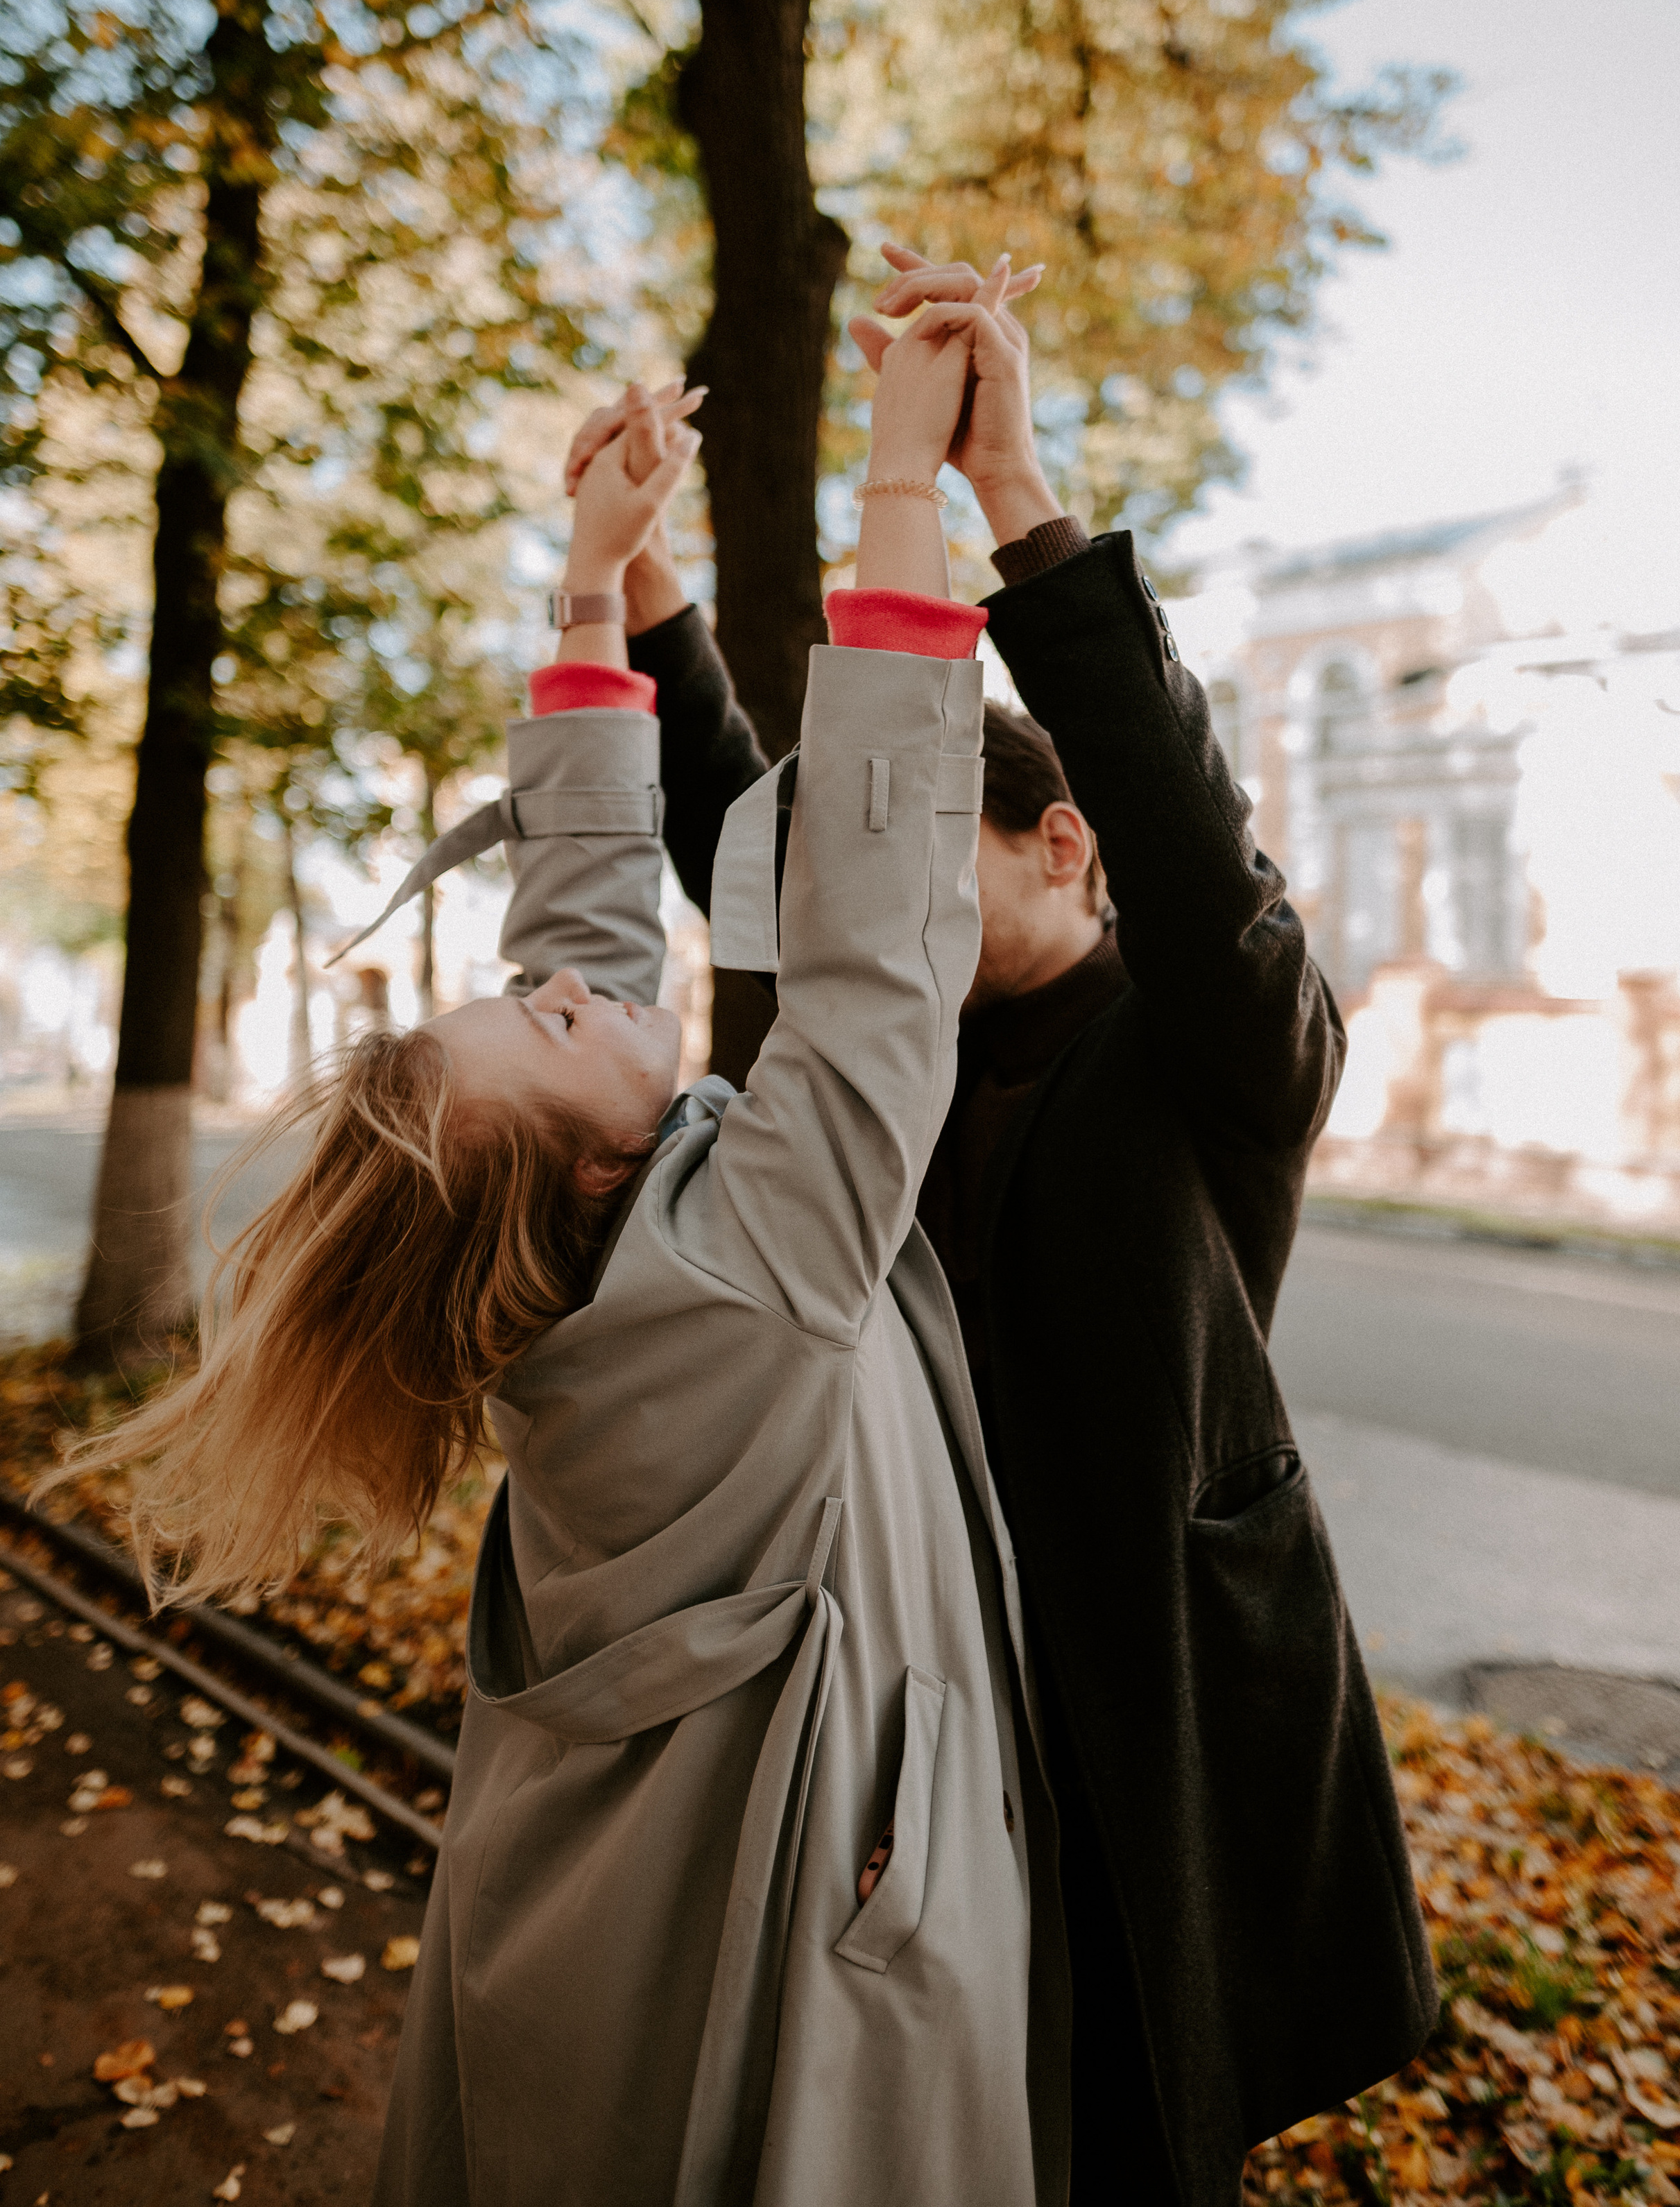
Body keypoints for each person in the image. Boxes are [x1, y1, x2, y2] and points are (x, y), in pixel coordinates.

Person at [42, 309, 1070, 2207]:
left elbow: (586, 916)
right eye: (563, 1024)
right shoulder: (751, 1270)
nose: (580, 991)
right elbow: (872, 953)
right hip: (828, 1905)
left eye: (542, 996)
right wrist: (903, 490)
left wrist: (595, 588)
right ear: (604, 1158)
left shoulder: (570, 1270)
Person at [619, 246, 1439, 2207]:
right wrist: (641, 589)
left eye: (922, 840)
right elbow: (742, 815)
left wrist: (1015, 505)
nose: (866, 880)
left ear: (1058, 842)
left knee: (1137, 2112)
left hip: (1147, 1702)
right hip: (927, 1664)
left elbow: (1184, 823)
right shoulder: (886, 1043)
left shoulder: (1207, 1043)